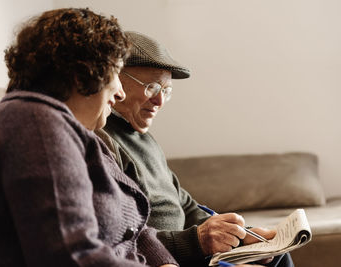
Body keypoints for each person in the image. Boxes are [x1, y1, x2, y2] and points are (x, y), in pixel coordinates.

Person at [0, 9, 180, 267]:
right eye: (115, 74)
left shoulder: (78, 135)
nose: (119, 93)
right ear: (83, 72)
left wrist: (164, 263)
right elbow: (70, 255)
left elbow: (134, 230)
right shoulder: (33, 125)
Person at [98, 31, 294, 267]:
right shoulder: (103, 140)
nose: (159, 102)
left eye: (166, 91)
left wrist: (240, 236)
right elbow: (125, 238)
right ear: (116, 80)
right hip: (170, 257)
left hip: (193, 249)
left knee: (278, 256)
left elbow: (186, 205)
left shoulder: (144, 138)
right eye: (151, 87)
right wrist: (197, 240)